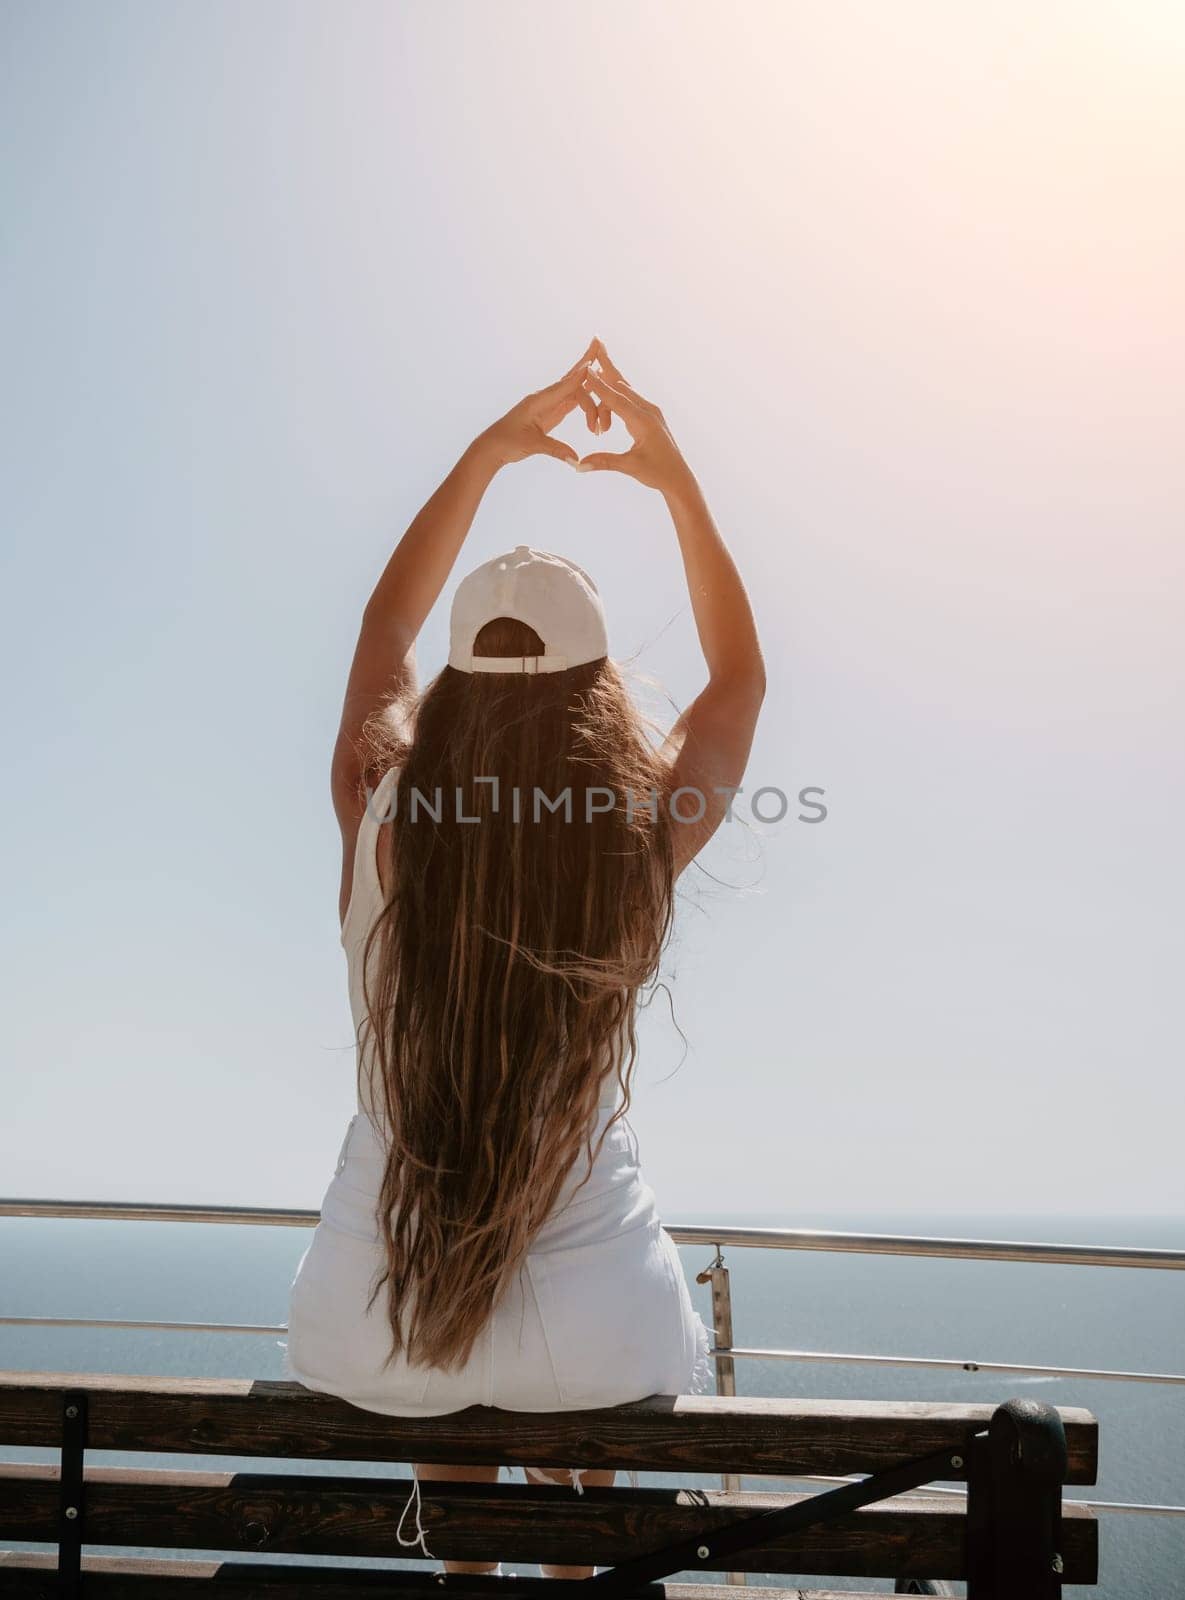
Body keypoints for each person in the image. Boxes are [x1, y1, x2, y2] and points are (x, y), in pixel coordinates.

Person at [283, 337, 765, 1578]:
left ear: (457, 683)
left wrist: (496, 447)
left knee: (451, 1309)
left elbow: (387, 624)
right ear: (599, 688)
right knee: (580, 1315)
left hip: (379, 1323)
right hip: (597, 1336)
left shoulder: (379, 804)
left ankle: (469, 1575)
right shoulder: (633, 840)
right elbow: (739, 681)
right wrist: (672, 478)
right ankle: (570, 1571)